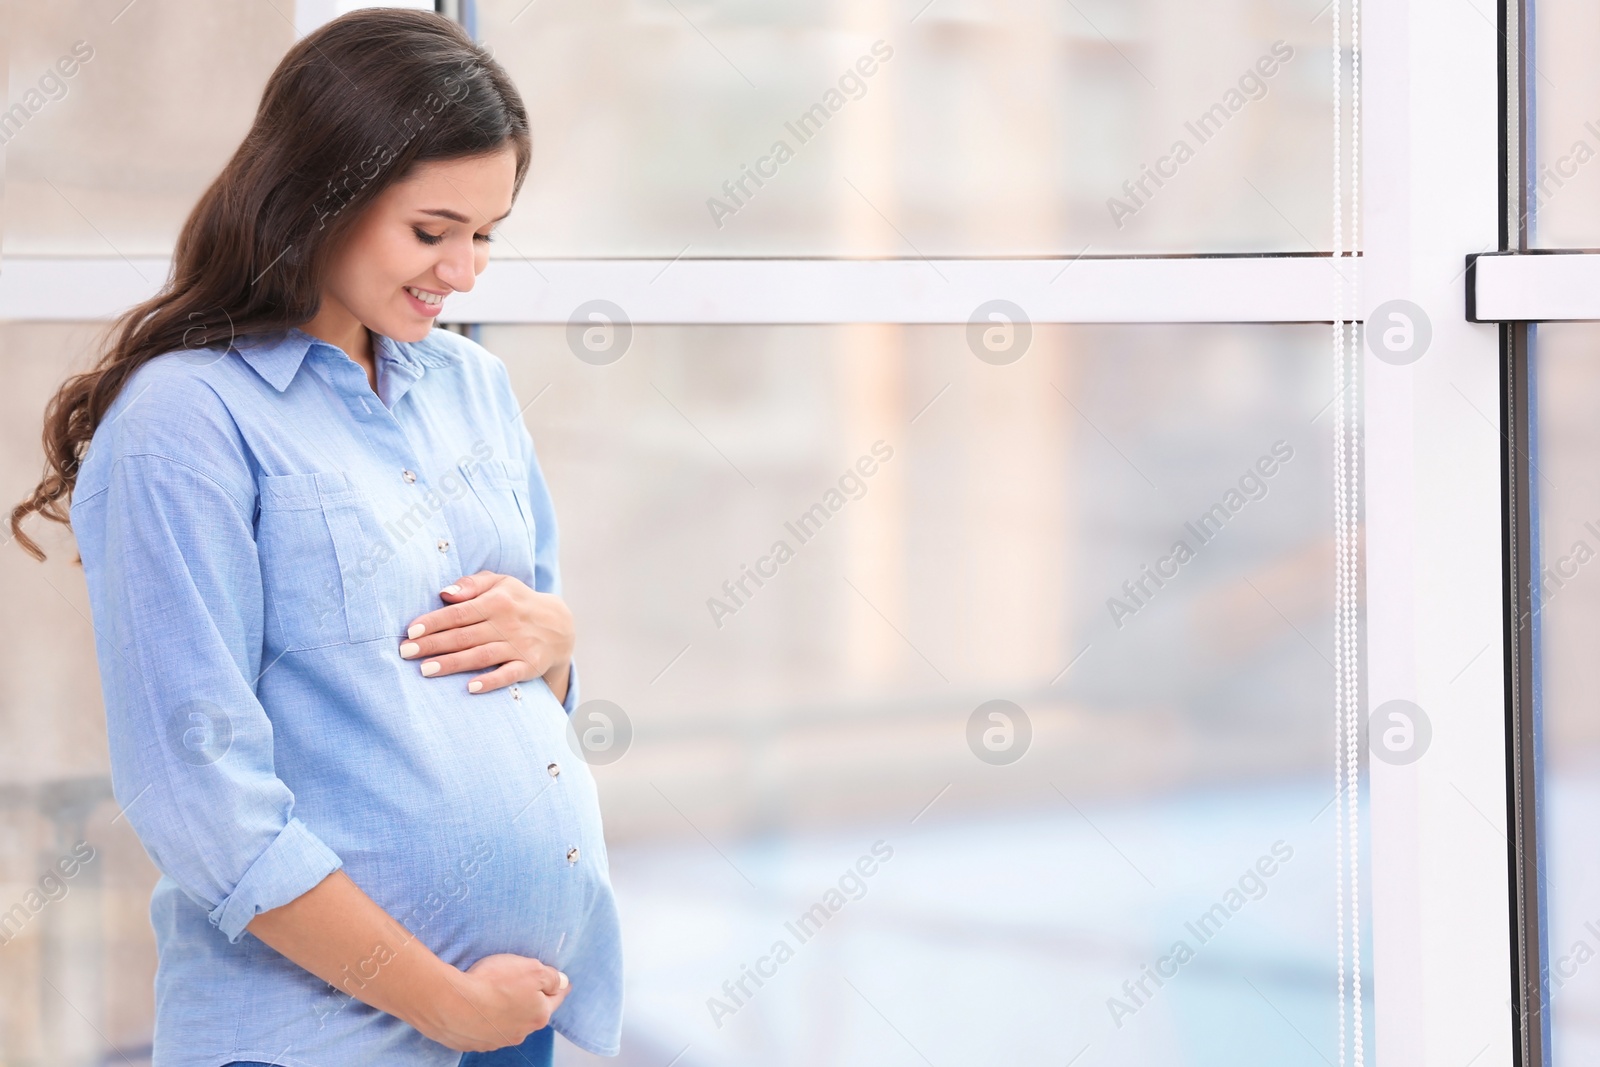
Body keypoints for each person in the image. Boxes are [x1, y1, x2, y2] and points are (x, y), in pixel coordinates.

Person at [7, 10, 621, 1065]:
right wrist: (441, 1003)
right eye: (432, 232)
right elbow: (201, 800)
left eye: (486, 234)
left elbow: (526, 683)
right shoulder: (185, 424)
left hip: (508, 1022)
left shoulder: (474, 387)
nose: (465, 272)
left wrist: (555, 648)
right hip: (321, 1038)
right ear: (320, 195)